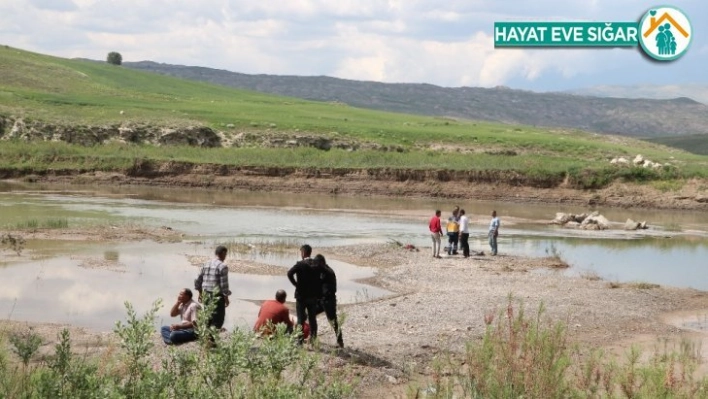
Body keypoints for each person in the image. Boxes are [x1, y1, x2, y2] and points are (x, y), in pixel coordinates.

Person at [287, 244, 322, 344]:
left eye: (301, 252)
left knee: (301, 319)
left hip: (301, 296)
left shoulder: (300, 264)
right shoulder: (317, 264)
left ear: (303, 253)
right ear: (310, 253)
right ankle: (313, 338)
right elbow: (321, 277)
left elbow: (289, 273)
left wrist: (296, 285)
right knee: (312, 318)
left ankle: (300, 341)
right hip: (313, 296)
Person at [195, 245, 231, 331]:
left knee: (208, 317)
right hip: (217, 296)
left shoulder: (206, 264)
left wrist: (200, 293)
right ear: (222, 253)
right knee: (218, 320)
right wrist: (226, 298)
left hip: (206, 293)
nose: (225, 257)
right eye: (225, 254)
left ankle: (207, 339)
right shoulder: (222, 266)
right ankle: (210, 341)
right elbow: (224, 285)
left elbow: (198, 281)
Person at [315, 254, 344, 348]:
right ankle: (311, 337)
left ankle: (340, 341)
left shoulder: (328, 271)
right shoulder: (322, 271)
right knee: (310, 314)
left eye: (316, 264)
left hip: (329, 300)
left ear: (321, 263)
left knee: (333, 321)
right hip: (322, 300)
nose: (315, 266)